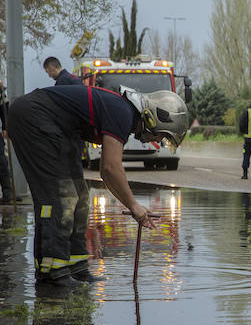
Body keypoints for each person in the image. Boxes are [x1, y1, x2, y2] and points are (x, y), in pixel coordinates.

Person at [7, 84, 189, 287]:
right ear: (153, 118)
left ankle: (77, 267)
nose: (158, 140)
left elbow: (108, 169)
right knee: (59, 197)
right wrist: (134, 206)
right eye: (161, 135)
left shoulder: (123, 113)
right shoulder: (122, 113)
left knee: (80, 196)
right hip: (33, 118)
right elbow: (110, 168)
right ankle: (52, 273)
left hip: (55, 126)